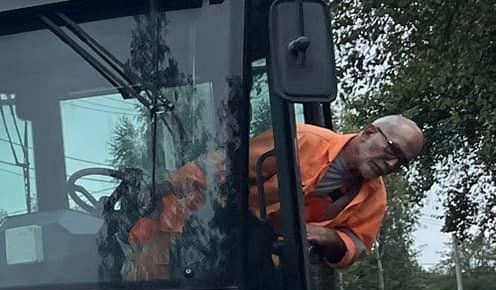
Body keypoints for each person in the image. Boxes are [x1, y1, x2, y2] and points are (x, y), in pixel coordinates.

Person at [126, 114, 422, 277]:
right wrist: (169, 185)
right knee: (147, 270)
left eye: (402, 162)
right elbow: (226, 167)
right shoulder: (304, 140)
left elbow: (355, 245)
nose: (393, 164)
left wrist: (322, 236)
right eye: (393, 151)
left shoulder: (374, 198)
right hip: (215, 230)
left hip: (267, 262)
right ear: (369, 132)